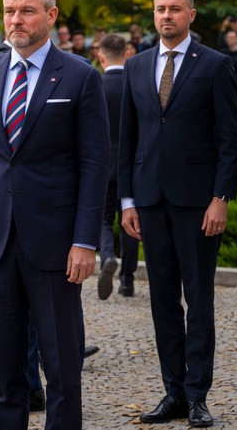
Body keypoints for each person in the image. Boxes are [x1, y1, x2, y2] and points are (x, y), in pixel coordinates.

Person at [0, 0, 110, 430]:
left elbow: (95, 166)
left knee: (62, 366)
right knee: (5, 370)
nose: (16, 20)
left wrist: (85, 241)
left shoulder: (81, 77)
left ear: (50, 15)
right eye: (9, 11)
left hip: (55, 243)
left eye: (27, 11)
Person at [118, 0, 237, 428]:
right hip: (150, 200)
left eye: (174, 9)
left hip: (197, 203)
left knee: (199, 300)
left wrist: (220, 198)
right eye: (159, 9)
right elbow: (127, 138)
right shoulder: (136, 66)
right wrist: (127, 200)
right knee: (162, 301)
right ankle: (172, 391)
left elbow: (229, 140)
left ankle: (197, 396)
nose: (166, 16)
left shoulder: (215, 64)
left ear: (191, 14)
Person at [95, 33, 138, 298]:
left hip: (102, 163)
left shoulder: (96, 85)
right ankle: (127, 280)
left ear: (100, 57)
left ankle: (108, 256)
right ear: (127, 54)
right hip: (131, 164)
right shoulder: (136, 84)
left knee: (103, 218)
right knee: (130, 221)